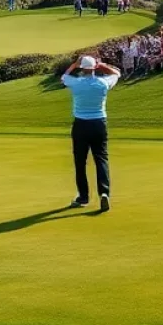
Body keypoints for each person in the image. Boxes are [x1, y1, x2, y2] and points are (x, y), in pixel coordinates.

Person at [60, 55, 120, 212]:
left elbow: (64, 77)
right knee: (101, 159)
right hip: (99, 124)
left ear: (82, 68)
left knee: (80, 162)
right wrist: (102, 66)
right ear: (94, 68)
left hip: (80, 125)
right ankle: (104, 193)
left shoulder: (76, 83)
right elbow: (116, 73)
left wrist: (74, 65)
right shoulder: (103, 83)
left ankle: (83, 197)